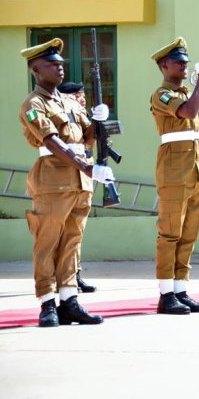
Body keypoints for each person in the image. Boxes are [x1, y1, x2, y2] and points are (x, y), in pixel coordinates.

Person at [19, 38, 114, 327]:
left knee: (73, 241)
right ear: (36, 69)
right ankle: (47, 302)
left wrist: (98, 121)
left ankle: (69, 299)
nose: (60, 69)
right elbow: (53, 142)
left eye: (61, 65)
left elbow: (87, 138)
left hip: (79, 182)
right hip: (53, 178)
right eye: (52, 64)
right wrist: (88, 166)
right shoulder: (32, 104)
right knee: (48, 242)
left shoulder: (70, 102)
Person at [149, 37, 199, 315]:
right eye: (179, 62)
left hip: (195, 170)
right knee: (170, 233)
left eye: (187, 62)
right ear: (164, 66)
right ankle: (165, 292)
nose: (185, 66)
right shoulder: (162, 95)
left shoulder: (187, 93)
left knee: (189, 234)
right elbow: (188, 113)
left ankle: (180, 288)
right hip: (174, 172)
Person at [57, 81, 97, 293]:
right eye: (78, 96)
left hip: (84, 176)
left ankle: (74, 274)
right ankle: (61, 278)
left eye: (83, 95)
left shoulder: (79, 116)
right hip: (62, 177)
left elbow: (89, 142)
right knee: (60, 232)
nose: (83, 100)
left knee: (76, 231)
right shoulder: (58, 113)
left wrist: (98, 121)